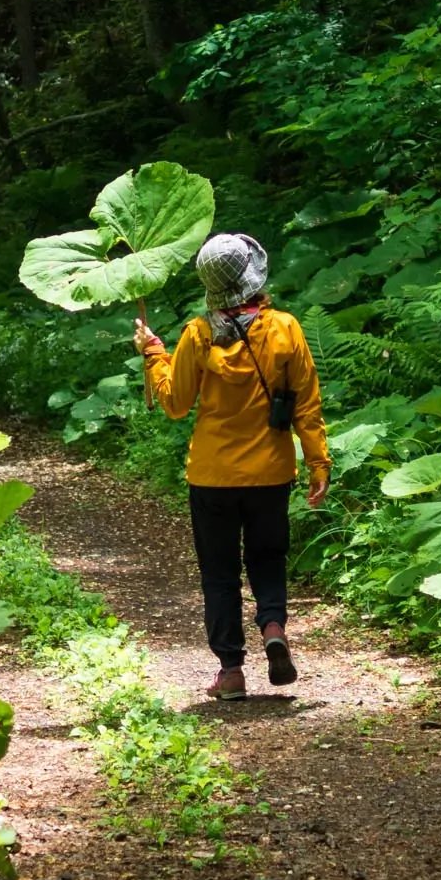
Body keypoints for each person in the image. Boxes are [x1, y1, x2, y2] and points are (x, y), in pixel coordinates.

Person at [135, 233, 330, 701]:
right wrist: (318, 462)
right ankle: (273, 628)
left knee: (219, 573)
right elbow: (306, 405)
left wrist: (153, 354)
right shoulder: (285, 328)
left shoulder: (199, 334)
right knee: (268, 557)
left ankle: (231, 672)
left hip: (212, 476)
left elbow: (175, 403)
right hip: (271, 472)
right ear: (253, 278)